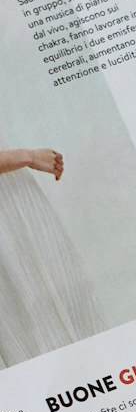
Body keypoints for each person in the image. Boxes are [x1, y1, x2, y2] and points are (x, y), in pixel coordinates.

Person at [0, 146, 105, 368]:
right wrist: (27, 156)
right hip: (7, 224)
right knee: (32, 322)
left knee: (67, 310)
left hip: (16, 202)